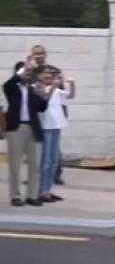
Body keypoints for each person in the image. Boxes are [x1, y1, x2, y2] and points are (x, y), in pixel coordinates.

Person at [3, 63, 49, 206]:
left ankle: (31, 195)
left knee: (35, 165)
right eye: (26, 72)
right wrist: (21, 73)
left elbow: (42, 108)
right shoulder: (11, 88)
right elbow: (8, 83)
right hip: (16, 129)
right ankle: (15, 196)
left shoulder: (32, 89)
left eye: (29, 73)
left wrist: (44, 96)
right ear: (18, 73)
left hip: (33, 128)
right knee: (15, 165)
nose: (28, 75)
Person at [37, 65, 74, 202]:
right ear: (39, 75)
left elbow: (71, 95)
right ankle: (40, 191)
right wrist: (53, 86)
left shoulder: (56, 90)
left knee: (54, 161)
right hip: (45, 127)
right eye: (46, 74)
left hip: (56, 127)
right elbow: (44, 99)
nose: (49, 76)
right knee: (45, 161)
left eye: (51, 75)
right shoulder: (37, 87)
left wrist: (71, 83)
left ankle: (48, 190)